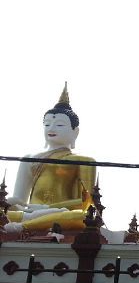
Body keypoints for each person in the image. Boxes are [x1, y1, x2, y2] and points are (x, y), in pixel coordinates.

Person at [6, 83, 96, 233]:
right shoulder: (29, 158)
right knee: (5, 213)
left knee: (82, 216)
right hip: (28, 212)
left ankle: (24, 226)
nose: (51, 128)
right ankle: (30, 220)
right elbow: (19, 199)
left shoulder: (84, 161)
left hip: (60, 214)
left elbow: (89, 202)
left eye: (59, 125)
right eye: (47, 124)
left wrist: (47, 208)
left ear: (75, 132)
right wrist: (9, 203)